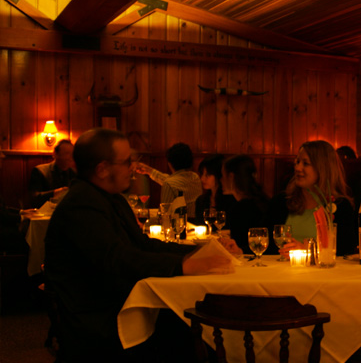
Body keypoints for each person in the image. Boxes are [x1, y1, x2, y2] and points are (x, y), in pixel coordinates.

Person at [44, 128, 238, 363]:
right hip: (97, 320)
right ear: (102, 169)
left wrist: (201, 250)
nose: (133, 167)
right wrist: (182, 266)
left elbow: (143, 245)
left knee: (193, 322)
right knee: (191, 328)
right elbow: (119, 259)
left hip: (117, 301)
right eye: (127, 162)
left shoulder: (110, 198)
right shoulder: (81, 205)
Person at [268, 140, 357, 256]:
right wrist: (239, 250)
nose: (298, 168)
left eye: (305, 163)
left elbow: (346, 249)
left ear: (322, 168)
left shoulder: (339, 205)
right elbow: (266, 243)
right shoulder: (282, 201)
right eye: (297, 162)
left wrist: (308, 250)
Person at [136, 142, 203, 220]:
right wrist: (149, 170)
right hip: (197, 224)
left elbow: (165, 216)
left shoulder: (169, 183)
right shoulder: (195, 178)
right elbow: (174, 180)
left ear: (169, 163)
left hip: (179, 227)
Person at [221, 155, 270, 254]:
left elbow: (238, 246)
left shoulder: (240, 210)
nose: (221, 180)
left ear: (231, 177)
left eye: (222, 175)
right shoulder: (263, 200)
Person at [29, 139, 76, 208]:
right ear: (55, 154)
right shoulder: (40, 171)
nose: (70, 157)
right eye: (67, 153)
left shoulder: (74, 173)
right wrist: (55, 193)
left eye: (72, 154)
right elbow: (34, 198)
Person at [194, 154, 235, 224]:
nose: (202, 179)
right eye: (202, 174)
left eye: (207, 175)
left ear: (218, 175)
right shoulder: (201, 201)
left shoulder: (231, 201)